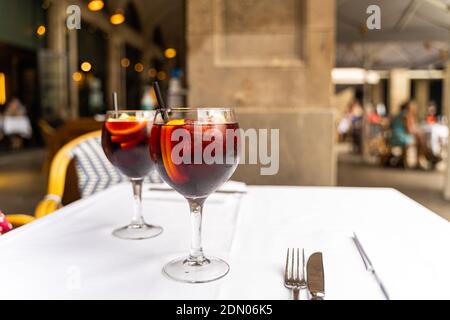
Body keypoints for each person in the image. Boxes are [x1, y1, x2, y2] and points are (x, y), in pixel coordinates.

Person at [390, 100, 437, 168]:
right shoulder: (406, 115)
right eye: (413, 106)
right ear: (409, 107)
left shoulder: (398, 115)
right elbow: (409, 130)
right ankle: (424, 158)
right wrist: (418, 132)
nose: (415, 108)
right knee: (420, 139)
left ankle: (425, 157)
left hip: (393, 137)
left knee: (419, 138)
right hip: (400, 138)